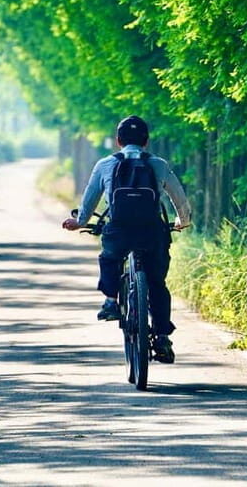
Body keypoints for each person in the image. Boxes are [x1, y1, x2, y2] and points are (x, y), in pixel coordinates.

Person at [62, 115, 191, 363]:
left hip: (119, 230)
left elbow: (89, 200)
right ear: (146, 141)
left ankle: (110, 301)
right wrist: (182, 221)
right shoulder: (159, 164)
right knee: (157, 284)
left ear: (118, 141)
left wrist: (79, 221)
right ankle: (162, 336)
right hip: (152, 231)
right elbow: (179, 198)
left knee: (109, 257)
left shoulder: (105, 164)